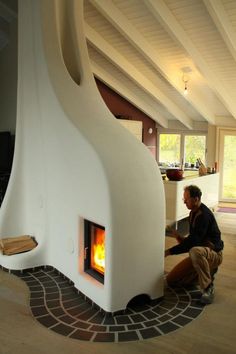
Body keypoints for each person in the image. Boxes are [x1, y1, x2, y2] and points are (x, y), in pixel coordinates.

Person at [165, 185, 224, 304]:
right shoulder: (193, 213)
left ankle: (208, 287)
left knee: (194, 252)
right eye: (184, 199)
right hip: (200, 253)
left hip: (213, 254)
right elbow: (192, 241)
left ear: (196, 199)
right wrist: (178, 237)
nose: (185, 202)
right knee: (171, 280)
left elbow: (193, 244)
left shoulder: (204, 215)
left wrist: (168, 252)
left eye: (186, 199)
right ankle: (205, 273)